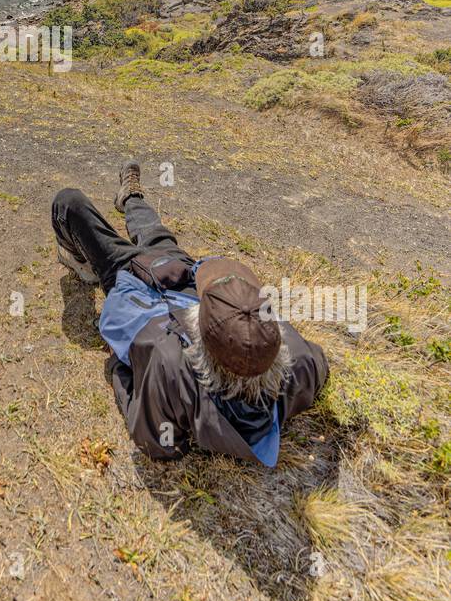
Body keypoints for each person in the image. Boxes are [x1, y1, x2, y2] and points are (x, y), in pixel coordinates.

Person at [52, 162, 329, 467]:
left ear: (200, 344)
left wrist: (121, 368)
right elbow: (318, 365)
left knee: (68, 204)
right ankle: (131, 197)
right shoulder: (301, 362)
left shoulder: (169, 367)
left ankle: (79, 257)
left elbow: (157, 443)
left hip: (134, 286)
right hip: (180, 275)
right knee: (156, 236)